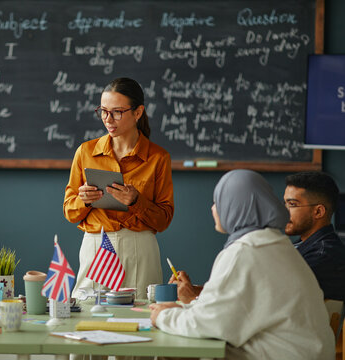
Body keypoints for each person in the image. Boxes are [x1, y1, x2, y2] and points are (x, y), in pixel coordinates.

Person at [150, 169, 335, 360]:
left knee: (170, 354)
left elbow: (213, 325)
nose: (213, 209)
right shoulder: (274, 244)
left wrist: (164, 316)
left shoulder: (245, 251)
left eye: (218, 201)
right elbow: (223, 313)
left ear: (236, 206)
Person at [63, 77, 174, 299]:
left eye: (117, 112)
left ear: (138, 112)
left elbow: (164, 219)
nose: (108, 119)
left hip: (140, 247)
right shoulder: (85, 152)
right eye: (103, 111)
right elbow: (69, 212)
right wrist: (84, 200)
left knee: (142, 312)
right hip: (96, 246)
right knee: (88, 314)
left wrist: (136, 202)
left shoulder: (158, 157)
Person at [284, 171, 345, 301]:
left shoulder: (323, 256)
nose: (284, 212)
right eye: (285, 203)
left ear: (318, 211)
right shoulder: (301, 245)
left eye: (292, 204)